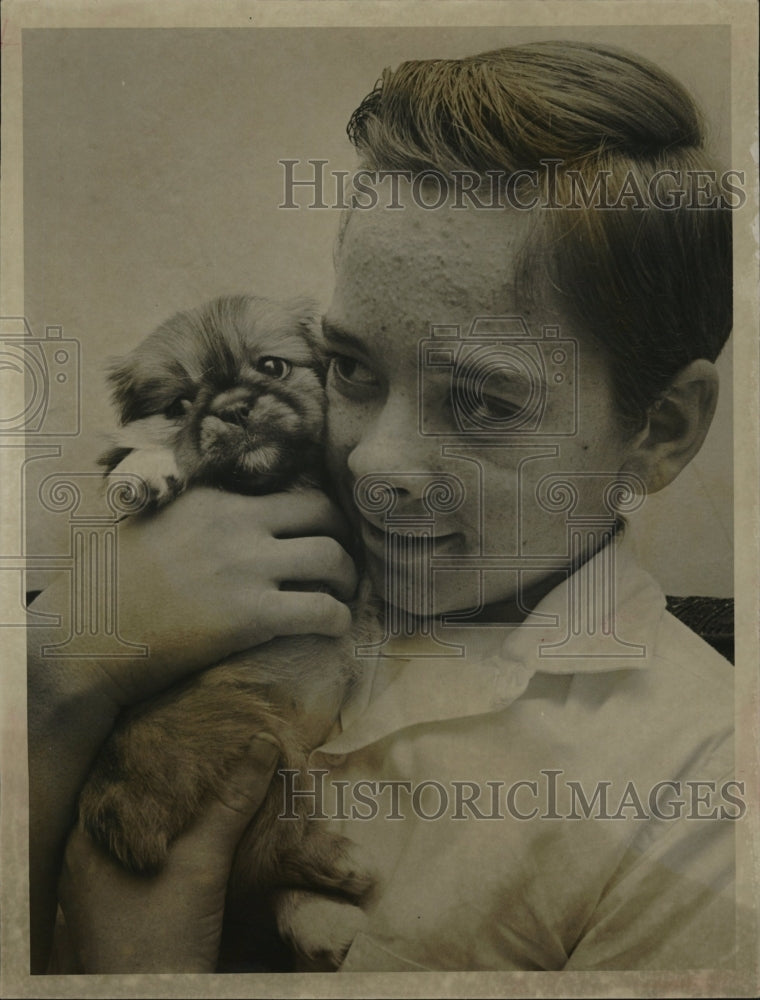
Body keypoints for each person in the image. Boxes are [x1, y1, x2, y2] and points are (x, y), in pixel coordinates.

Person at [28, 41, 737, 973]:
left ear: (660, 430)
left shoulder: (706, 808)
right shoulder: (183, 572)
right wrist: (57, 674)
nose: (373, 459)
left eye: (481, 401)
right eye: (353, 367)